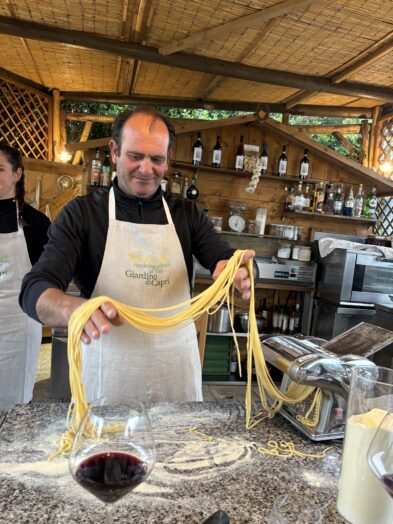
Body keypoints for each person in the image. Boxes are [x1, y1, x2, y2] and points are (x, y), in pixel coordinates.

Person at [20, 107, 254, 403]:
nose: (146, 169)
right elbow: (35, 287)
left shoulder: (186, 215)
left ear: (168, 159)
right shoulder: (83, 215)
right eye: (135, 156)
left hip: (175, 373)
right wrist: (71, 309)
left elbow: (224, 257)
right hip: (110, 378)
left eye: (156, 159)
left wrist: (236, 269)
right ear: (115, 151)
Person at [0, 143, 51, 410]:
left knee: (14, 405)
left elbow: (48, 281)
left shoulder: (37, 224)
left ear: (17, 174)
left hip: (17, 329)